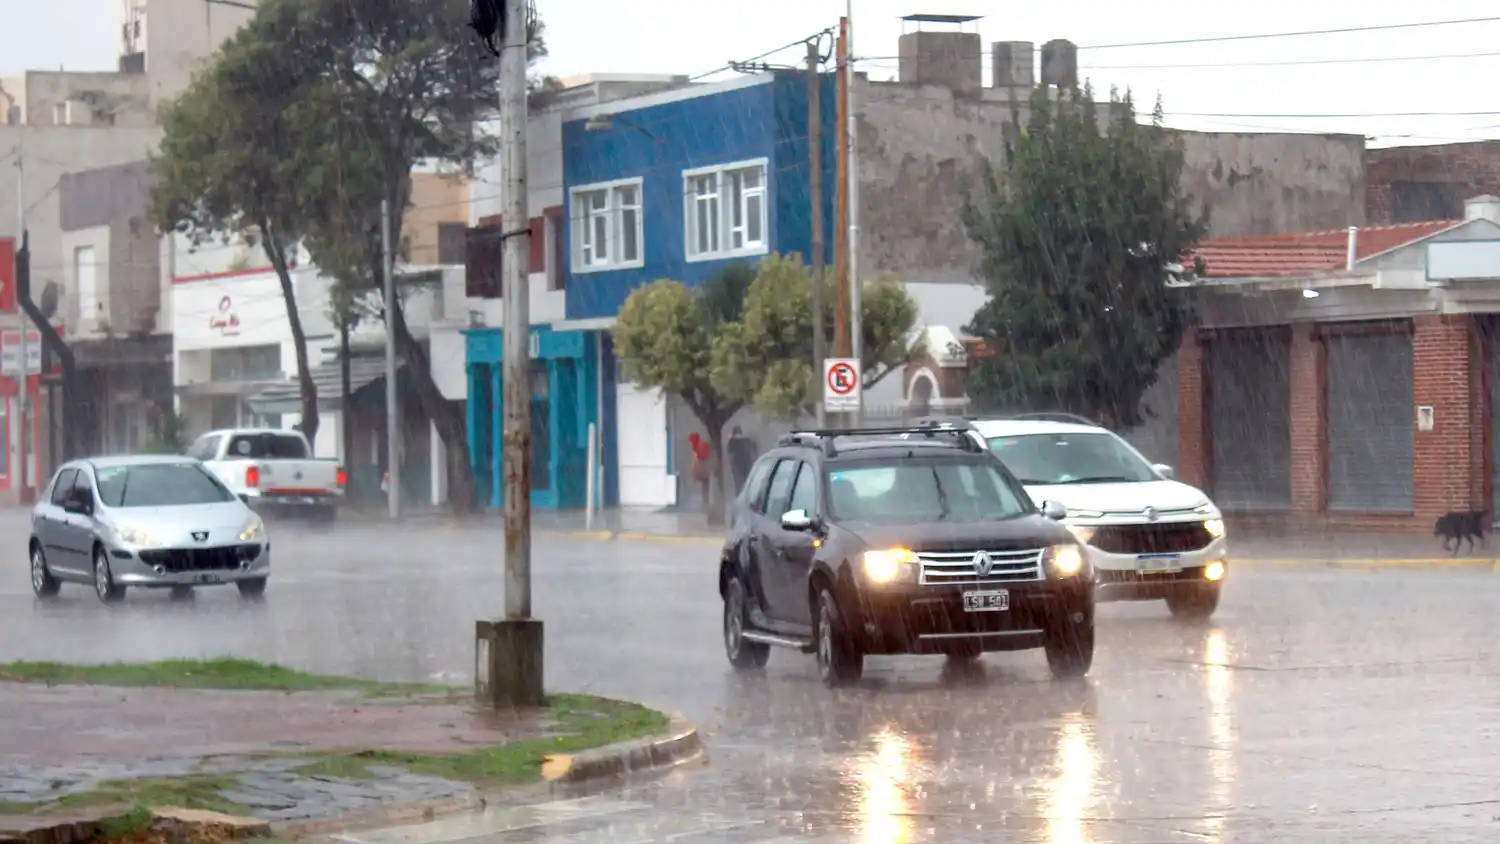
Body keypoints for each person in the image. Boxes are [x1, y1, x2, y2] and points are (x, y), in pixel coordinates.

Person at [726, 426, 758, 494]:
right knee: (740, 483)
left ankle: (744, 496)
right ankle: (740, 496)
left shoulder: (735, 441)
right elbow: (730, 454)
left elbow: (753, 448)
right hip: (739, 465)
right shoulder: (733, 442)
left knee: (745, 482)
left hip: (745, 464)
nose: (738, 436)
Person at [687, 432, 712, 508]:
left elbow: (700, 459)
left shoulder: (700, 446)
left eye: (690, 441)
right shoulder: (699, 445)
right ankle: (704, 502)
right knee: (705, 486)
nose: (690, 443)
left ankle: (704, 502)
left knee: (704, 486)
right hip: (703, 470)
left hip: (702, 470)